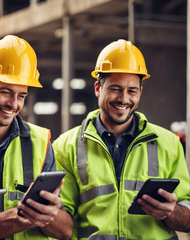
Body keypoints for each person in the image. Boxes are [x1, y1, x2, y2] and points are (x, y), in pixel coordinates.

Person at [53, 39, 190, 239]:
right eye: (115, 88)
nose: (124, 99)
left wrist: (171, 211)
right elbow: (61, 218)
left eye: (132, 90)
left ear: (140, 92)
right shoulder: (66, 146)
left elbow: (187, 218)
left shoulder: (168, 143)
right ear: (98, 88)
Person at [0, 35, 72, 239]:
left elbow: (65, 231)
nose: (14, 104)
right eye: (6, 92)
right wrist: (26, 215)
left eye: (21, 96)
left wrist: (49, 215)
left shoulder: (41, 143)